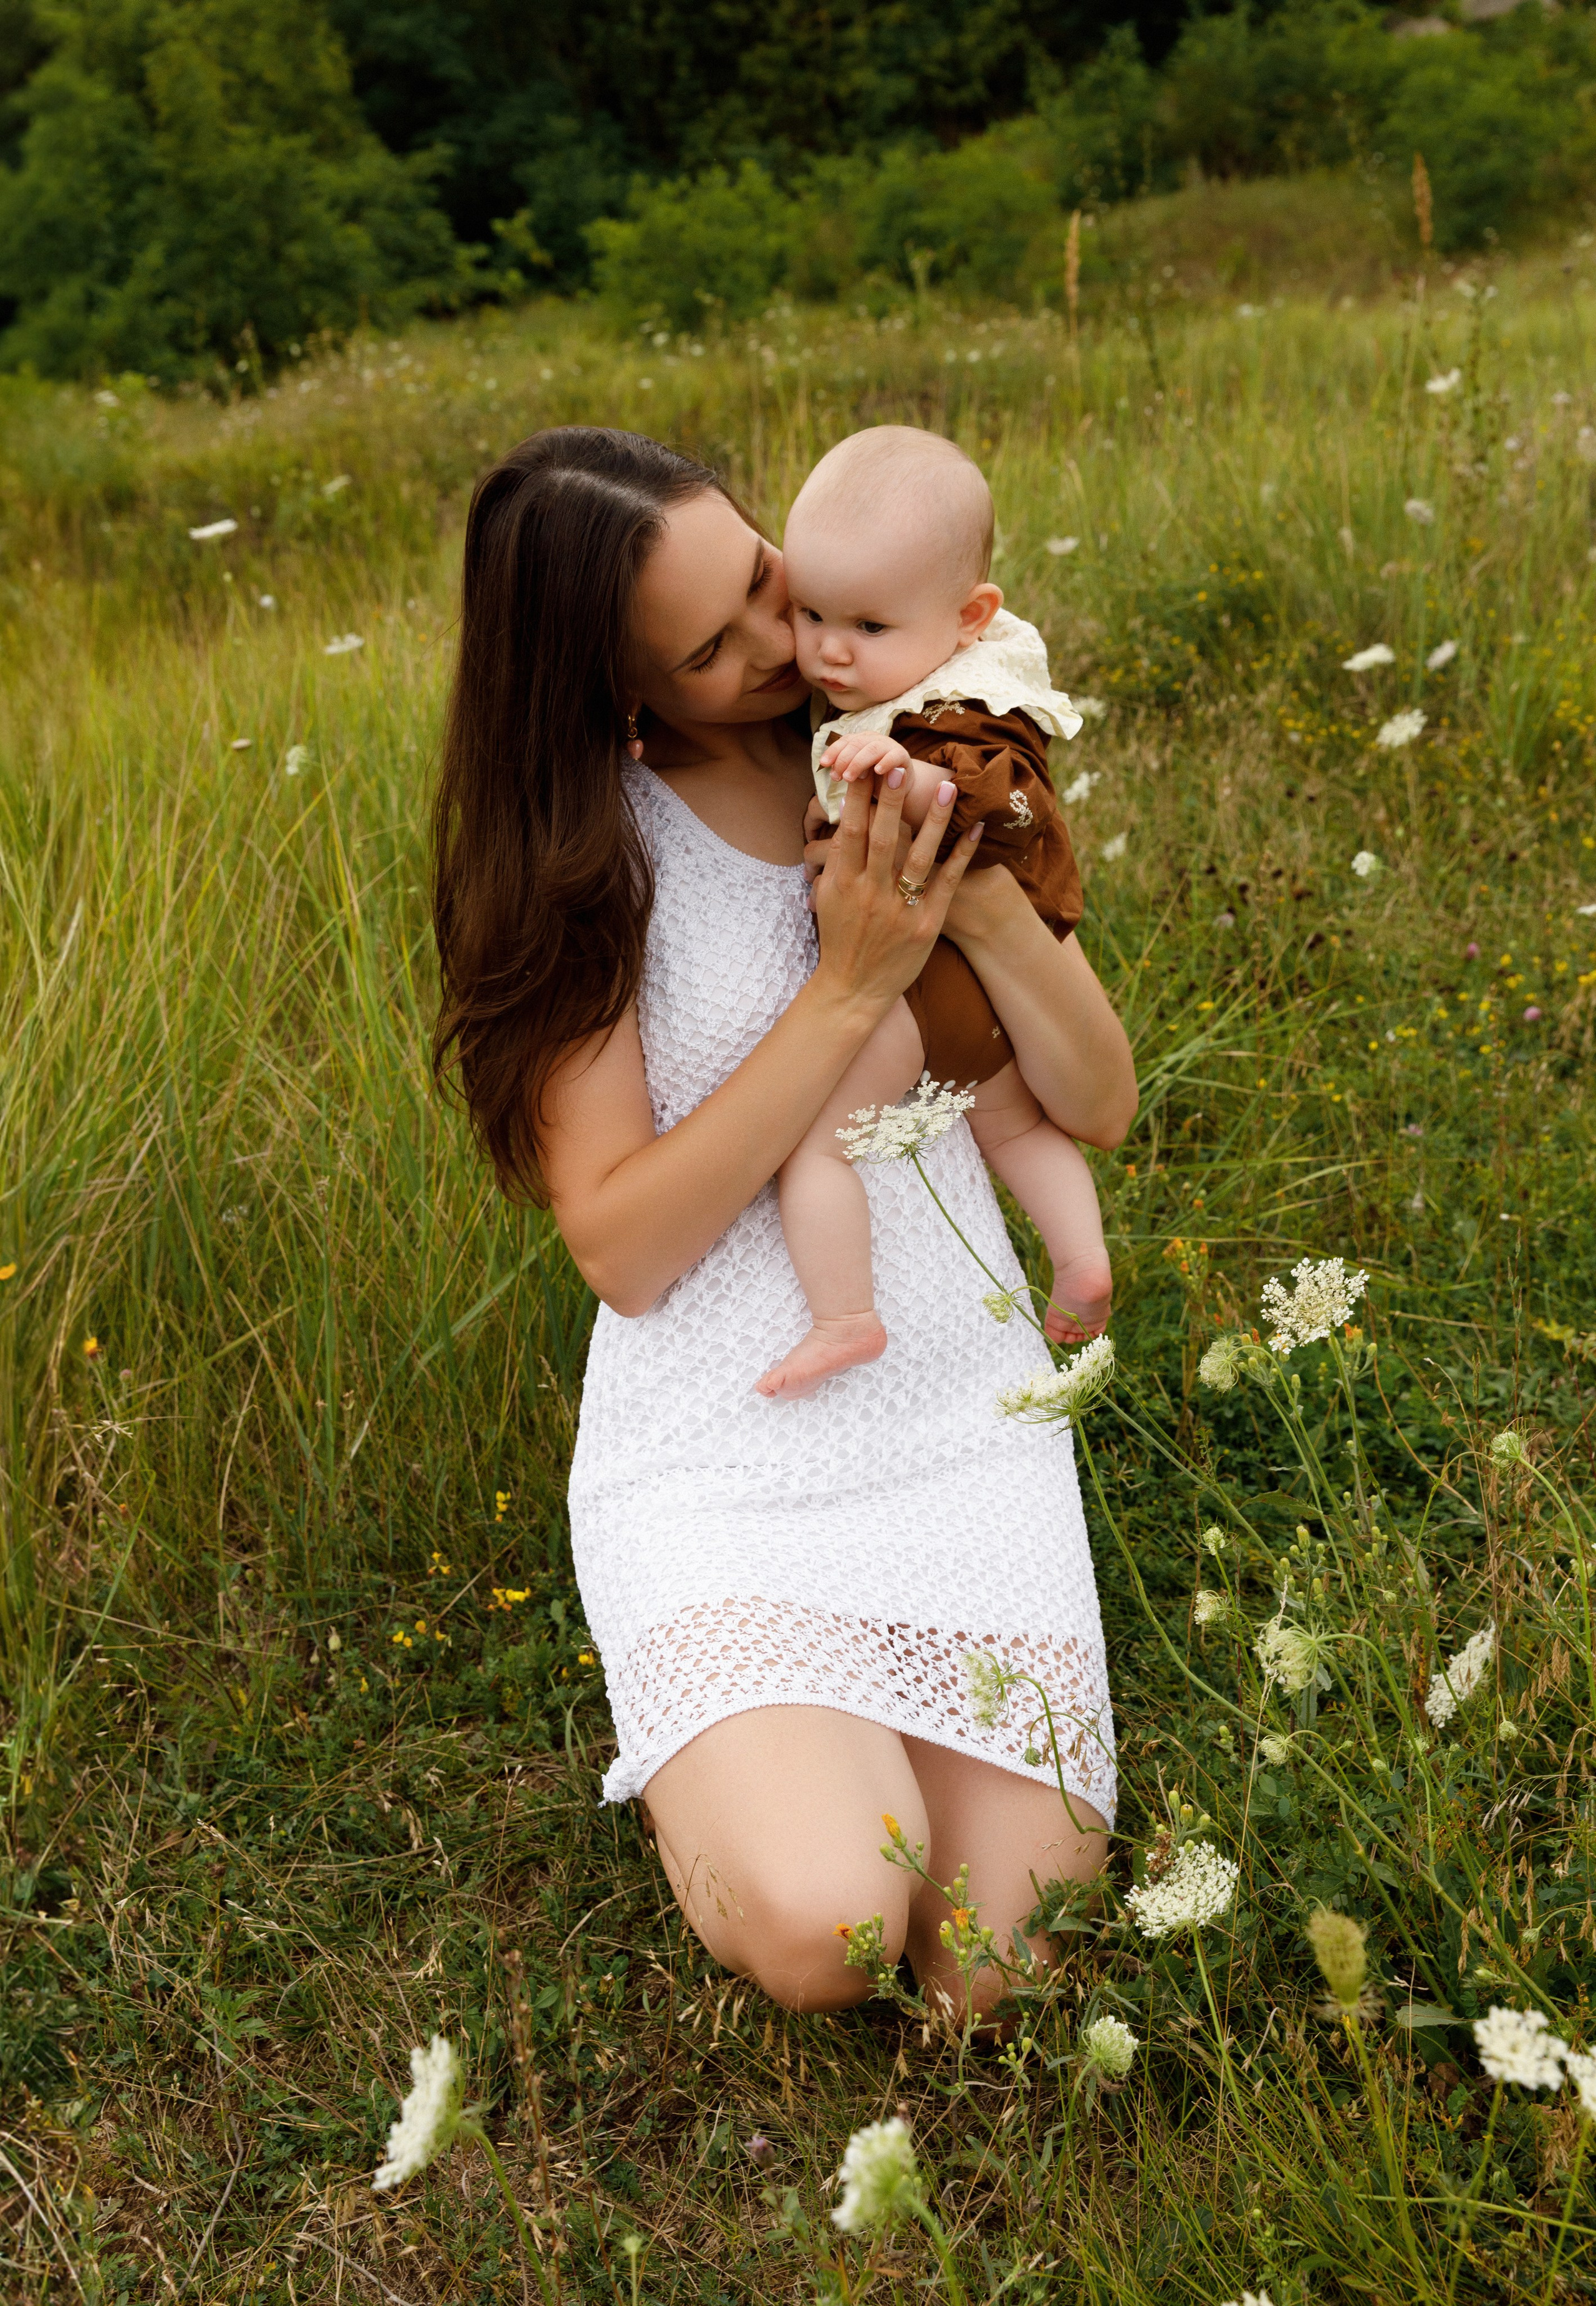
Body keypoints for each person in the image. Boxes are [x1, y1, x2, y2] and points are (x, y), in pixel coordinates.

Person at [432, 426, 1137, 2023]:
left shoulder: (914, 742)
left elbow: (1092, 1101)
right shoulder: (580, 860)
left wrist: (980, 906)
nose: (784, 643)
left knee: (995, 1961)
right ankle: (733, 1750)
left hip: (958, 1403)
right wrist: (843, 987)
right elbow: (620, 1245)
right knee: (834, 1923)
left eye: (765, 581)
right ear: (616, 691)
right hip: (728, 1442)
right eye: (714, 644)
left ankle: (816, 1763)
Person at [756, 425, 1112, 1405]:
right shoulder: (883, 678)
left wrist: (914, 778)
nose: (828, 648)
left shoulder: (970, 708)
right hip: (989, 1004)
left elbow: (1007, 798)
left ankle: (844, 1318)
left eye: (867, 627)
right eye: (810, 612)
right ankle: (1082, 1261)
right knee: (1015, 1128)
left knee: (817, 1146)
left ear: (970, 618)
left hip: (933, 985)